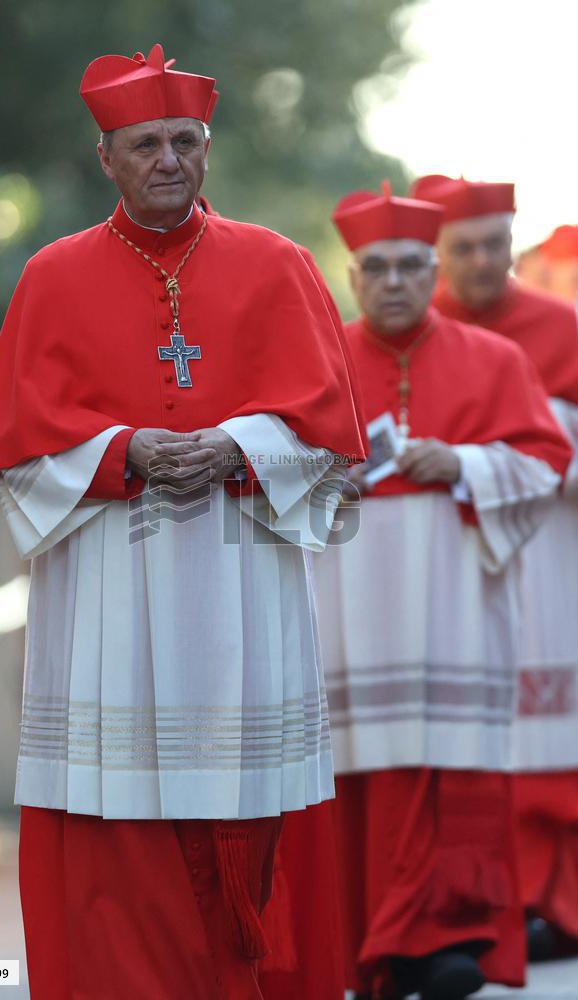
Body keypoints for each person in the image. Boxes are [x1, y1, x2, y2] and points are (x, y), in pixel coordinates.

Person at [0, 44, 365, 1000]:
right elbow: (16, 454)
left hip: (243, 577)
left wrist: (241, 448)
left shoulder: (277, 264)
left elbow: (335, 440)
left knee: (251, 802)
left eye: (186, 141)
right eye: (145, 143)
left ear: (208, 147)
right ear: (105, 155)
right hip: (111, 581)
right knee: (119, 819)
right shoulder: (53, 277)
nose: (169, 160)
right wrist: (123, 450)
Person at [312, 184, 571, 1000]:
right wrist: (327, 479)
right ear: (353, 276)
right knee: (364, 776)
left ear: (434, 274)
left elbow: (543, 464)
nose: (395, 283)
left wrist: (463, 463)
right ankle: (376, 944)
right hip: (351, 610)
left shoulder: (497, 361)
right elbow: (262, 483)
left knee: (452, 772)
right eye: (377, 268)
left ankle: (445, 934)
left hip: (456, 602)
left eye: (412, 267)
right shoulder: (315, 359)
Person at [412, 174, 578, 958]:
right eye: (465, 248)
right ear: (440, 253)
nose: (483, 262)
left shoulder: (562, 329)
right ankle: (475, 906)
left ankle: (559, 904)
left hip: (552, 559)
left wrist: (530, 462)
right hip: (452, 565)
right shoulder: (419, 326)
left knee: (552, 743)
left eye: (496, 246)